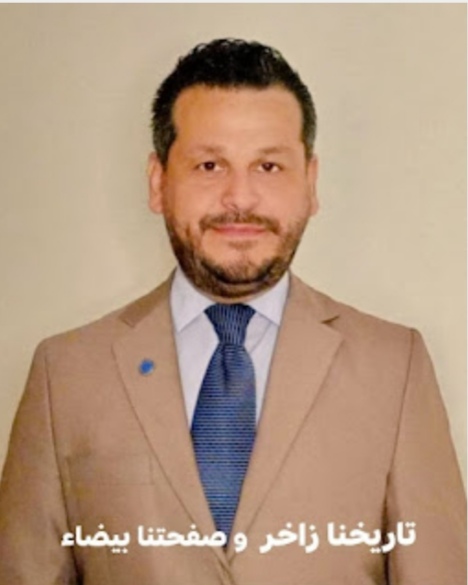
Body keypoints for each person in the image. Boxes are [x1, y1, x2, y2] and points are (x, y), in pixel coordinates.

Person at [0, 38, 465, 585]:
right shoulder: (65, 375)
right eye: (209, 165)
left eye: (268, 166)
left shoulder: (395, 367)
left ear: (310, 183)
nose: (240, 198)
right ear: (158, 182)